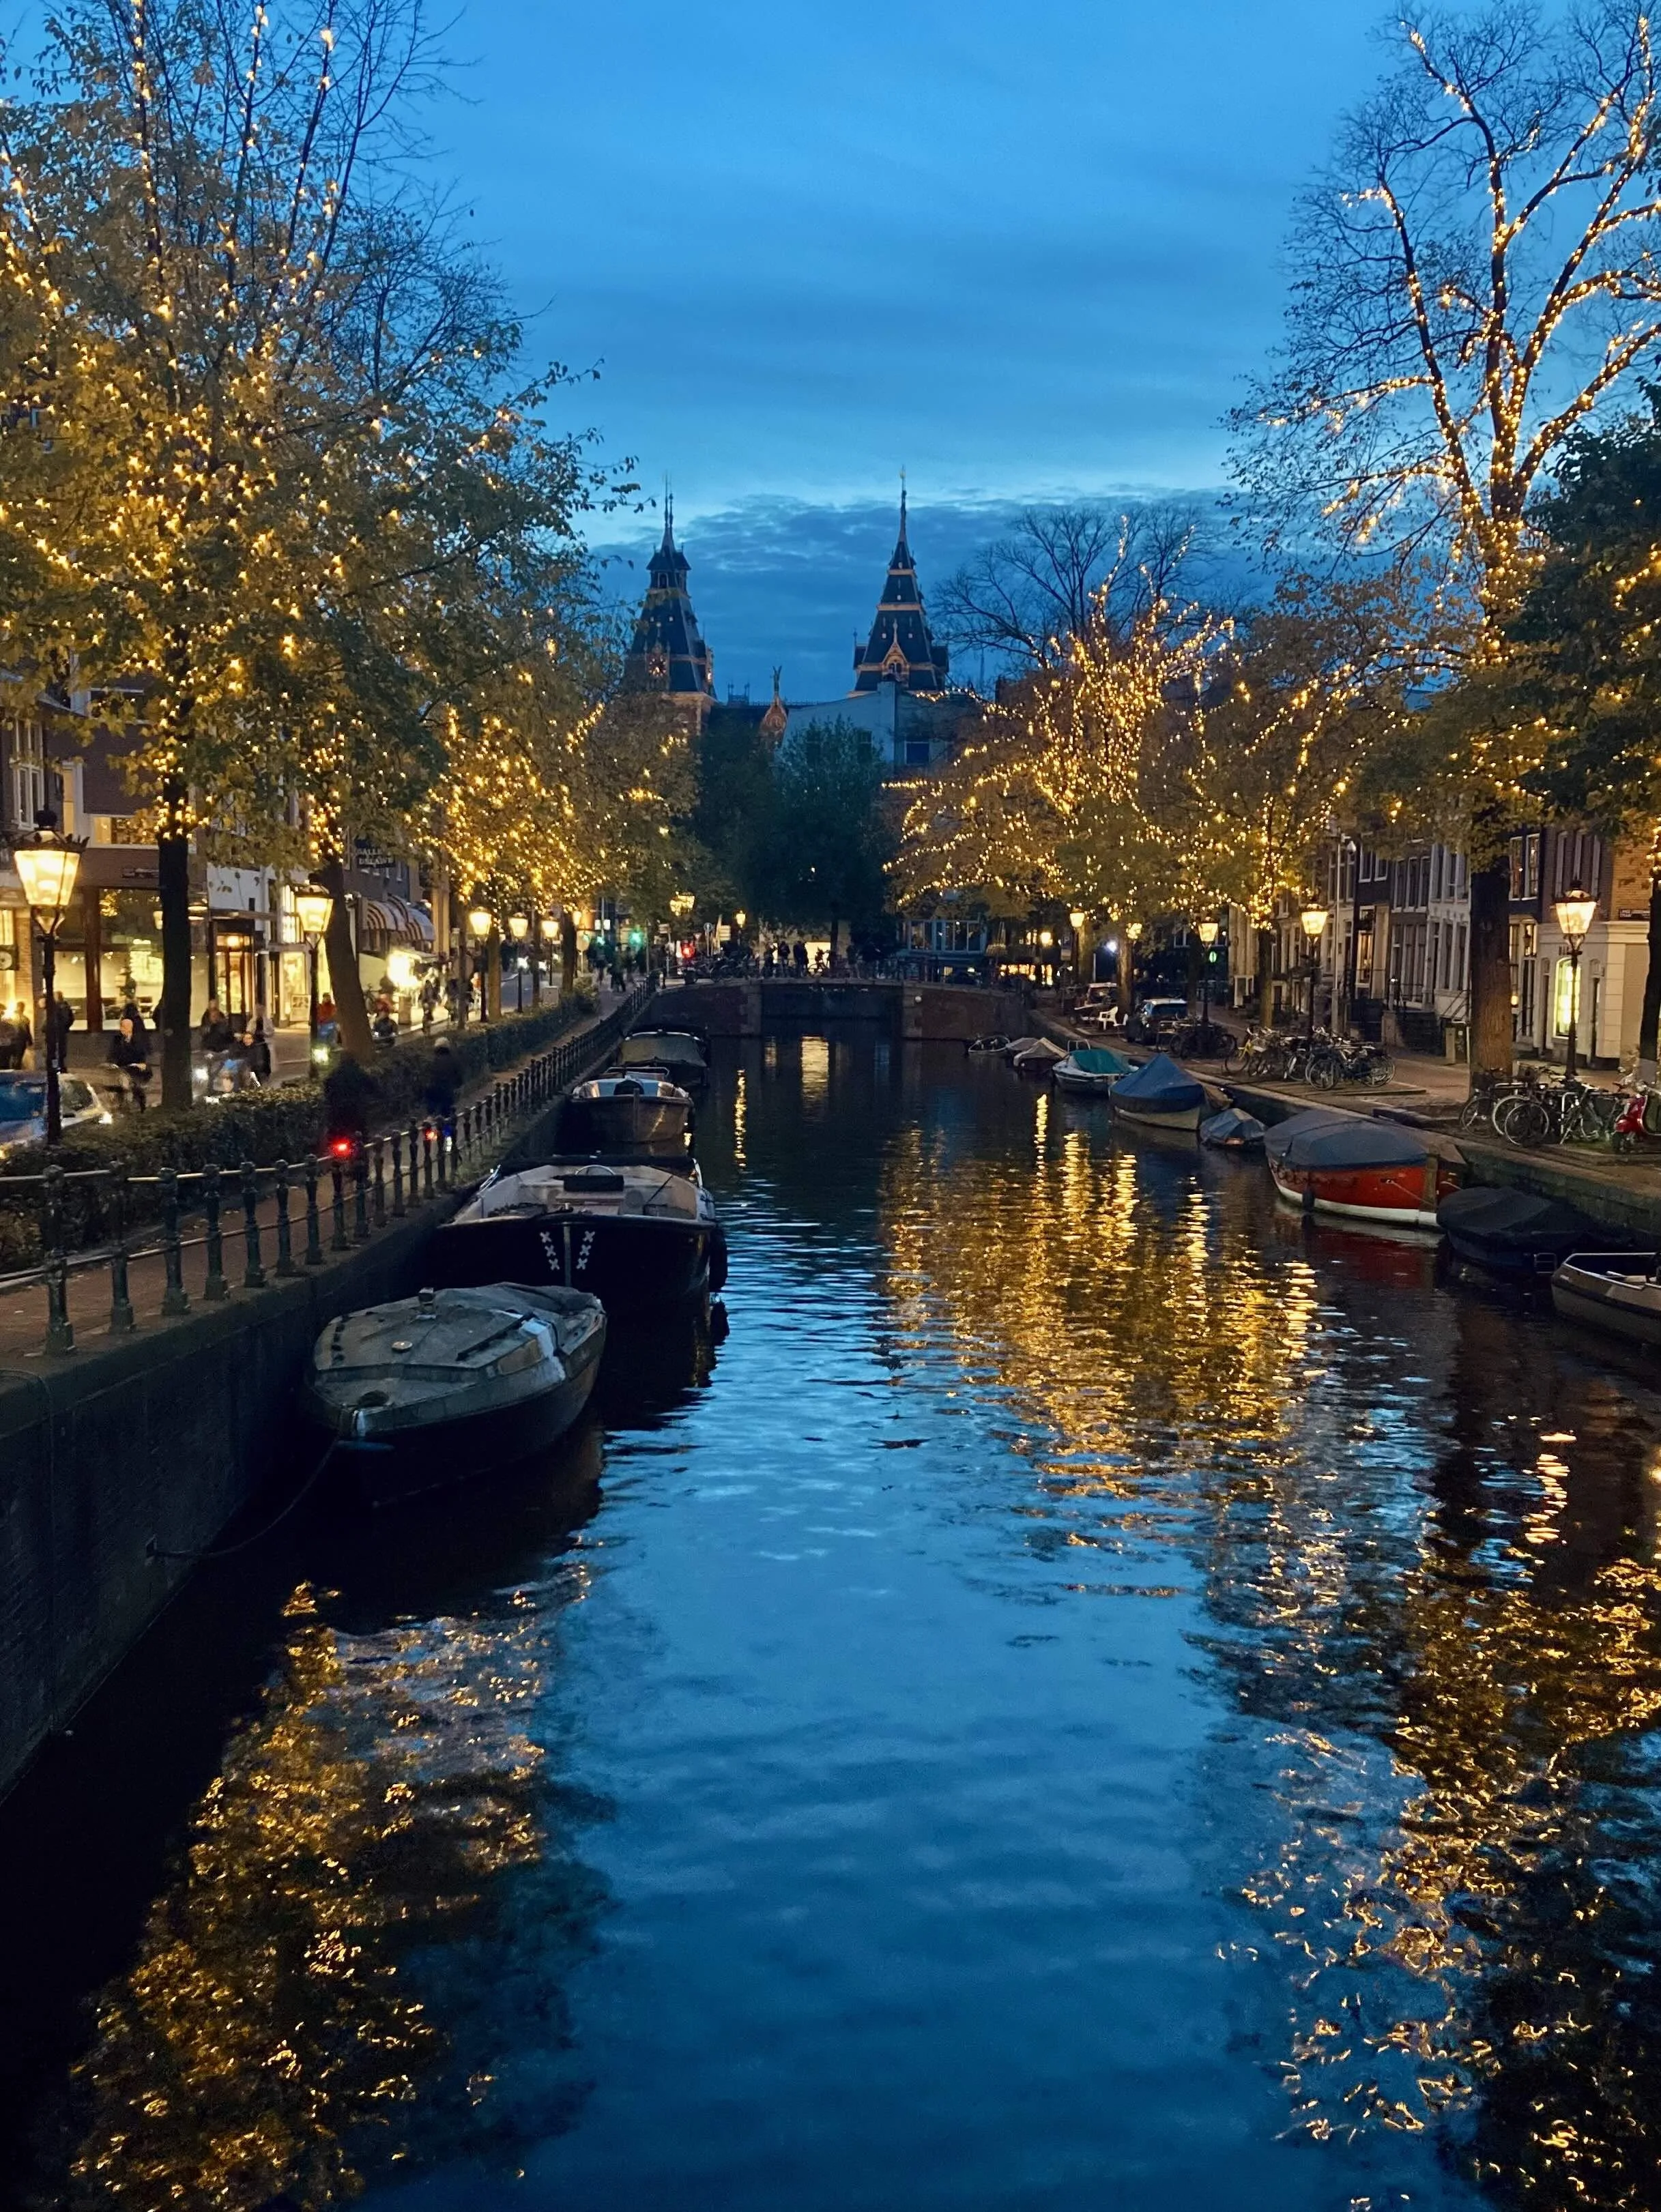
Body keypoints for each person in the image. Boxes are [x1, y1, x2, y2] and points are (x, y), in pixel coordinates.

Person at [107, 1014, 150, 1111]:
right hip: (121, 1067)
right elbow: (112, 1053)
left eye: (126, 1027)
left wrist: (139, 1064)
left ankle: (140, 1106)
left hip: (135, 1068)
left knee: (136, 1085)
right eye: (122, 1027)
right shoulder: (117, 1039)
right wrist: (112, 1063)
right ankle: (120, 1106)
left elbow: (141, 1055)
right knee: (117, 1084)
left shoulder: (137, 1040)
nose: (124, 1029)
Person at [46, 990, 73, 1073]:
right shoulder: (64, 1006)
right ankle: (59, 1067)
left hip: (58, 1033)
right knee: (59, 1051)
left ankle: (58, 1068)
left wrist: (61, 1028)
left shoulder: (60, 1007)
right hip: (60, 1032)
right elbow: (70, 1019)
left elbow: (66, 1020)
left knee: (56, 1051)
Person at [243, 1015, 272, 1084]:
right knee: (256, 1062)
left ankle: (261, 1077)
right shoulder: (252, 1021)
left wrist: (265, 1034)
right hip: (255, 1044)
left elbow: (271, 1032)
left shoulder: (267, 1021)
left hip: (262, 1044)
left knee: (262, 1062)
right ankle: (257, 1079)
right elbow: (249, 1031)